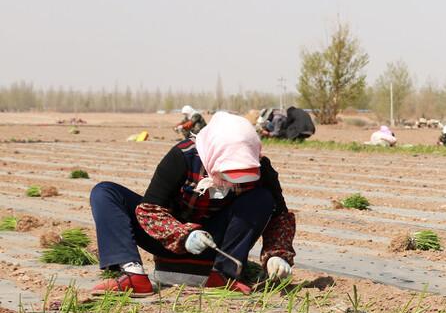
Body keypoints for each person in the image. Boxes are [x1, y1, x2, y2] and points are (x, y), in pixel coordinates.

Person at [87, 112, 297, 297]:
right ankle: (133, 275)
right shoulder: (183, 157)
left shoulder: (260, 169)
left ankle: (224, 275)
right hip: (170, 238)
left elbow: (280, 217)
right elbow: (149, 210)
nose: (233, 183)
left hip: (218, 245)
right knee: (105, 192)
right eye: (229, 173)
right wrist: (182, 234)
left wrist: (278, 254)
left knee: (262, 198)